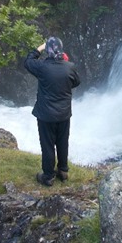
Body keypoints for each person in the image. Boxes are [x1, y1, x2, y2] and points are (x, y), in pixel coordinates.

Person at [24, 36, 80, 186]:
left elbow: (28, 61)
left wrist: (38, 49)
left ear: (47, 50)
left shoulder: (42, 67)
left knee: (48, 144)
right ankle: (63, 170)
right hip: (63, 113)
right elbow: (76, 82)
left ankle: (48, 176)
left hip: (46, 114)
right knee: (62, 142)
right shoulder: (70, 66)